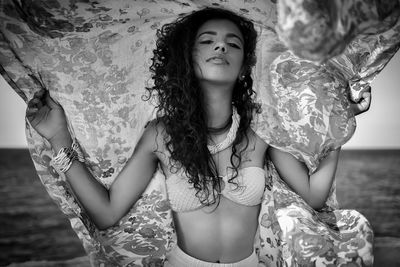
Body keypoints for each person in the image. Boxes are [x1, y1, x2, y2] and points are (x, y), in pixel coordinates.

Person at [26, 7, 371, 267]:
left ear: (244, 64)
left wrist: (341, 122)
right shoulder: (162, 135)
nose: (220, 47)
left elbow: (312, 194)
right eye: (207, 41)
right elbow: (107, 212)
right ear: (188, 57)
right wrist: (58, 138)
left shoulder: (261, 131)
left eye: (232, 44)